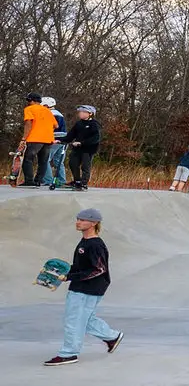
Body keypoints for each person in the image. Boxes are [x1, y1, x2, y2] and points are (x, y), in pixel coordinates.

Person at [45, 208, 122, 366]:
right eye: (78, 219)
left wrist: (70, 277)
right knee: (85, 319)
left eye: (83, 220)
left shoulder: (95, 245)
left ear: (94, 223)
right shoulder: (85, 242)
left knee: (74, 320)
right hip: (85, 286)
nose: (78, 222)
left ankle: (69, 353)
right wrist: (64, 272)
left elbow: (99, 269)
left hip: (88, 288)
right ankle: (112, 337)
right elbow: (82, 266)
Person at [18, 93, 56, 188]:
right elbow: (56, 125)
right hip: (48, 139)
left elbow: (28, 123)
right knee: (43, 161)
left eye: (28, 101)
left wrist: (24, 138)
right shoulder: (47, 111)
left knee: (27, 159)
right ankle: (38, 181)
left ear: (31, 101)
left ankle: (29, 181)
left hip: (34, 138)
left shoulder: (29, 109)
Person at [59, 106, 100, 190]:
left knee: (85, 166)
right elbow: (71, 135)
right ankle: (77, 181)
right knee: (73, 163)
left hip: (88, 149)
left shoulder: (94, 124)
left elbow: (96, 138)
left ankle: (83, 183)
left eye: (83, 112)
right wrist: (60, 140)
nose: (80, 113)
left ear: (90, 114)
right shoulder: (79, 123)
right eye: (80, 112)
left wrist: (82, 143)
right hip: (77, 149)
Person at [43, 97, 67, 188]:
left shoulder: (49, 113)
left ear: (46, 105)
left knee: (45, 159)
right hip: (63, 139)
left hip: (54, 138)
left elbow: (49, 127)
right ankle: (61, 180)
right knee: (59, 161)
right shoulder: (59, 114)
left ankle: (47, 180)